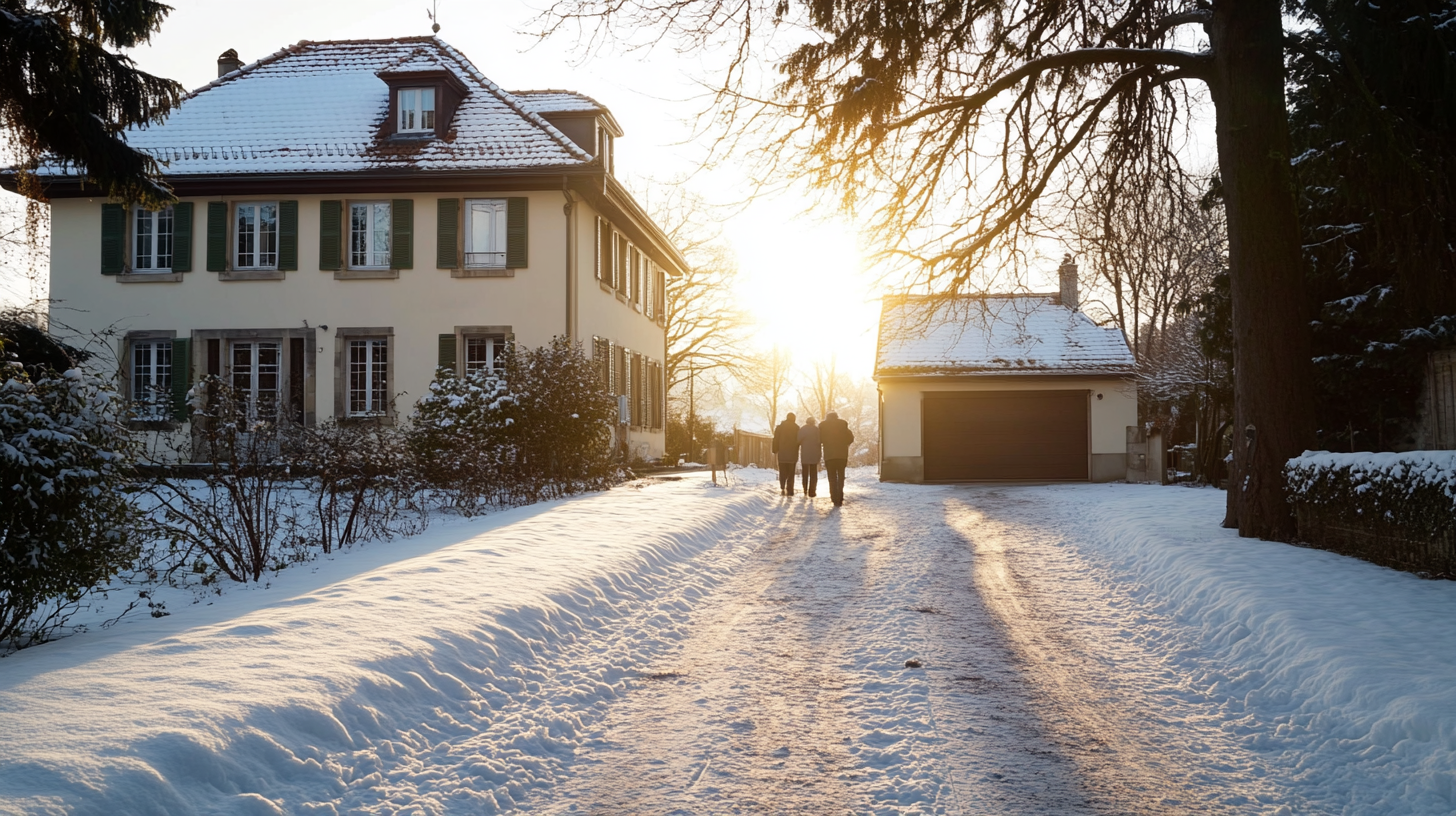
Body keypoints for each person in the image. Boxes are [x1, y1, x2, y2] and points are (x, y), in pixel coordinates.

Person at [819, 411, 855, 506]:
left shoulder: (823, 426)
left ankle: (834, 497)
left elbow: (820, 439)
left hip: (829, 455)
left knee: (832, 477)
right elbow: (851, 438)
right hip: (842, 455)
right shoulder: (843, 424)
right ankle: (840, 496)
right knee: (841, 476)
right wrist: (845, 444)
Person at [771, 412, 800, 496]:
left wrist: (775, 449)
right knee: (791, 473)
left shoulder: (780, 427)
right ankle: (790, 490)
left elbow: (775, 439)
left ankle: (782, 486)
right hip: (792, 454)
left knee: (782, 471)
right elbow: (799, 440)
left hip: (782, 453)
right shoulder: (796, 428)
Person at [798, 416, 822, 497]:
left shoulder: (803, 429)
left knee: (805, 473)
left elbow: (798, 440)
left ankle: (805, 489)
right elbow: (820, 441)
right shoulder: (817, 430)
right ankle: (812, 491)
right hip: (814, 454)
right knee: (813, 474)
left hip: (805, 454)